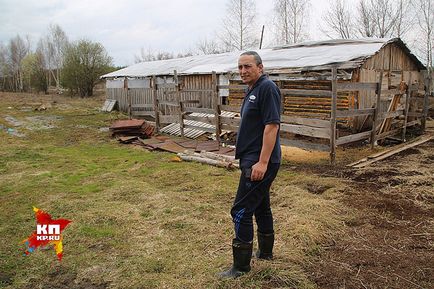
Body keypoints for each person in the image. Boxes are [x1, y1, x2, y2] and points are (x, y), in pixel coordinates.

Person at [219, 51, 281, 278]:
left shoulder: (267, 88)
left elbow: (272, 126)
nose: (243, 71)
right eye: (240, 67)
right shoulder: (252, 89)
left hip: (260, 162)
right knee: (261, 206)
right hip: (251, 159)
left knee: (240, 210)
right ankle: (265, 253)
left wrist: (262, 162)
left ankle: (241, 267)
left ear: (260, 67)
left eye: (248, 66)